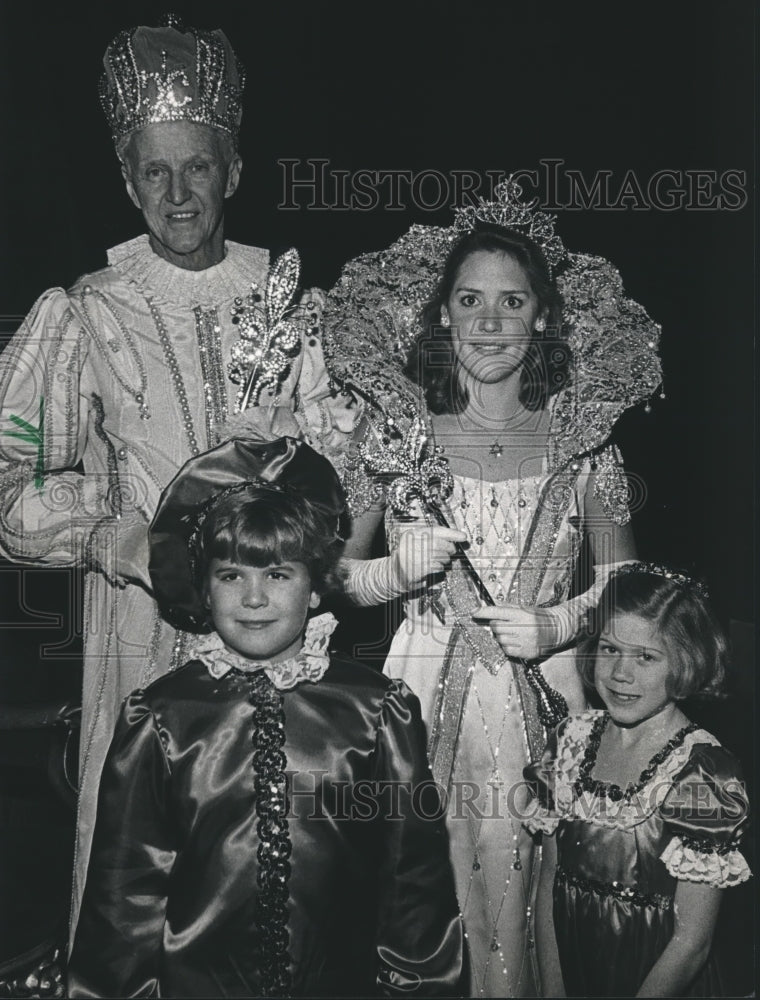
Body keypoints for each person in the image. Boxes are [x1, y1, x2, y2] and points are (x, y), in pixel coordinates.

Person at [0, 17, 351, 937]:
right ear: (126, 180)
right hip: (142, 635)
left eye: (196, 166)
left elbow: (349, 478)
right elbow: (6, 485)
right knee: (144, 882)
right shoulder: (87, 313)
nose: (177, 191)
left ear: (232, 170)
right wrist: (111, 537)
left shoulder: (294, 304)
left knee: (268, 872)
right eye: (153, 171)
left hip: (277, 631)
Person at [321, 180, 663, 996]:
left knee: (530, 898)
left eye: (512, 302)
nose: (488, 321)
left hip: (547, 695)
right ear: (441, 314)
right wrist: (396, 573)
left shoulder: (585, 445)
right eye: (469, 299)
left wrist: (557, 626)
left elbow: (626, 585)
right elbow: (331, 574)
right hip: (421, 688)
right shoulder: (392, 434)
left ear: (542, 317)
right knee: (424, 895)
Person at [66, 436, 464, 999]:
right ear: (204, 586)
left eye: (277, 574)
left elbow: (414, 888)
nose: (253, 598)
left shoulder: (376, 712)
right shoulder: (160, 719)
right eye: (231, 575)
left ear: (317, 585)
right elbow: (123, 898)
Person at [525, 563, 751, 997]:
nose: (620, 674)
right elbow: (548, 884)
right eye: (609, 649)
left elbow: (692, 944)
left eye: (645, 657)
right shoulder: (568, 743)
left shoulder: (704, 773)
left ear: (687, 661)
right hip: (577, 973)